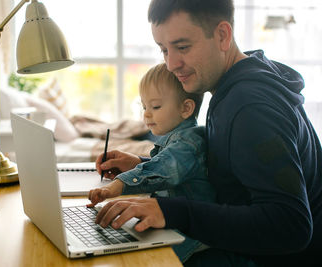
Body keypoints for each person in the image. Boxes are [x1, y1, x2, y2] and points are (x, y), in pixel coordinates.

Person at [93, 0, 322, 266]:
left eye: (182, 47)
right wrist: (143, 167)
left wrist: (170, 211)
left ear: (222, 35)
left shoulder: (251, 108)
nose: (171, 64)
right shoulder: (234, 85)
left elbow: (290, 226)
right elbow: (233, 178)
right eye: (164, 50)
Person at [88, 63, 215, 262]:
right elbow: (163, 162)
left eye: (155, 106)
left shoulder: (188, 143)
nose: (146, 114)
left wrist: (114, 188)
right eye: (144, 106)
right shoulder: (176, 138)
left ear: (186, 108)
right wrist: (136, 162)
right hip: (174, 219)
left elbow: (162, 168)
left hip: (192, 232)